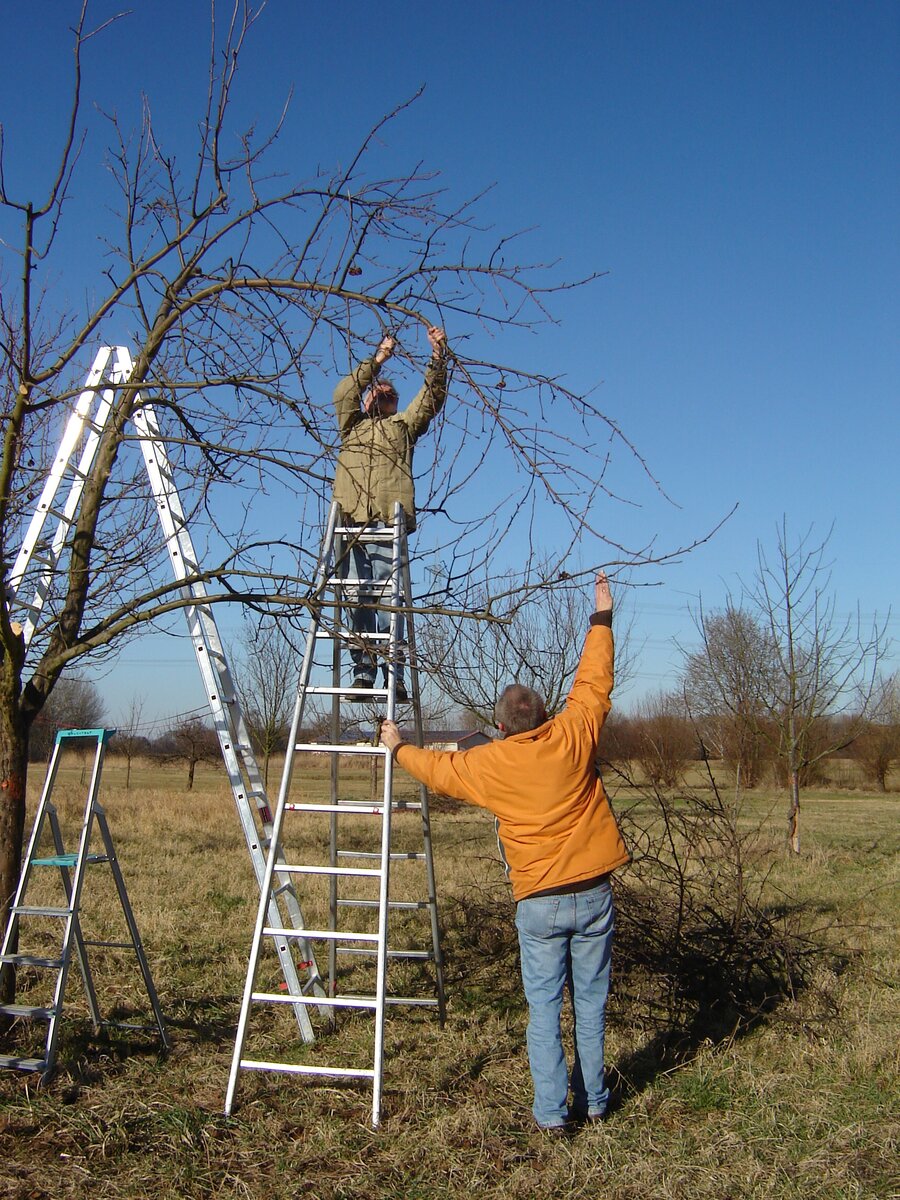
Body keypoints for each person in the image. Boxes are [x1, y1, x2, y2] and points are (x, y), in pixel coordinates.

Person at [380, 572, 630, 1133]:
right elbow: (593, 684)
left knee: (544, 1011)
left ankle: (551, 1116)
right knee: (590, 1005)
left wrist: (398, 749)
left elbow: (438, 771)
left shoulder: (489, 764)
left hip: (538, 902)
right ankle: (594, 1103)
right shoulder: (573, 735)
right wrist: (601, 617)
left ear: (499, 726)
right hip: (593, 894)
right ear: (543, 716)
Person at [332, 325, 448, 702]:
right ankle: (363, 673)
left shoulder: (403, 428)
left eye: (391, 395)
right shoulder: (351, 428)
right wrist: (378, 360)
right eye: (379, 392)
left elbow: (430, 399)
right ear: (368, 398)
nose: (385, 396)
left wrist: (437, 357)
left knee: (388, 602)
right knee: (355, 601)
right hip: (348, 524)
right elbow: (342, 393)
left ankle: (393, 676)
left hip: (385, 523)